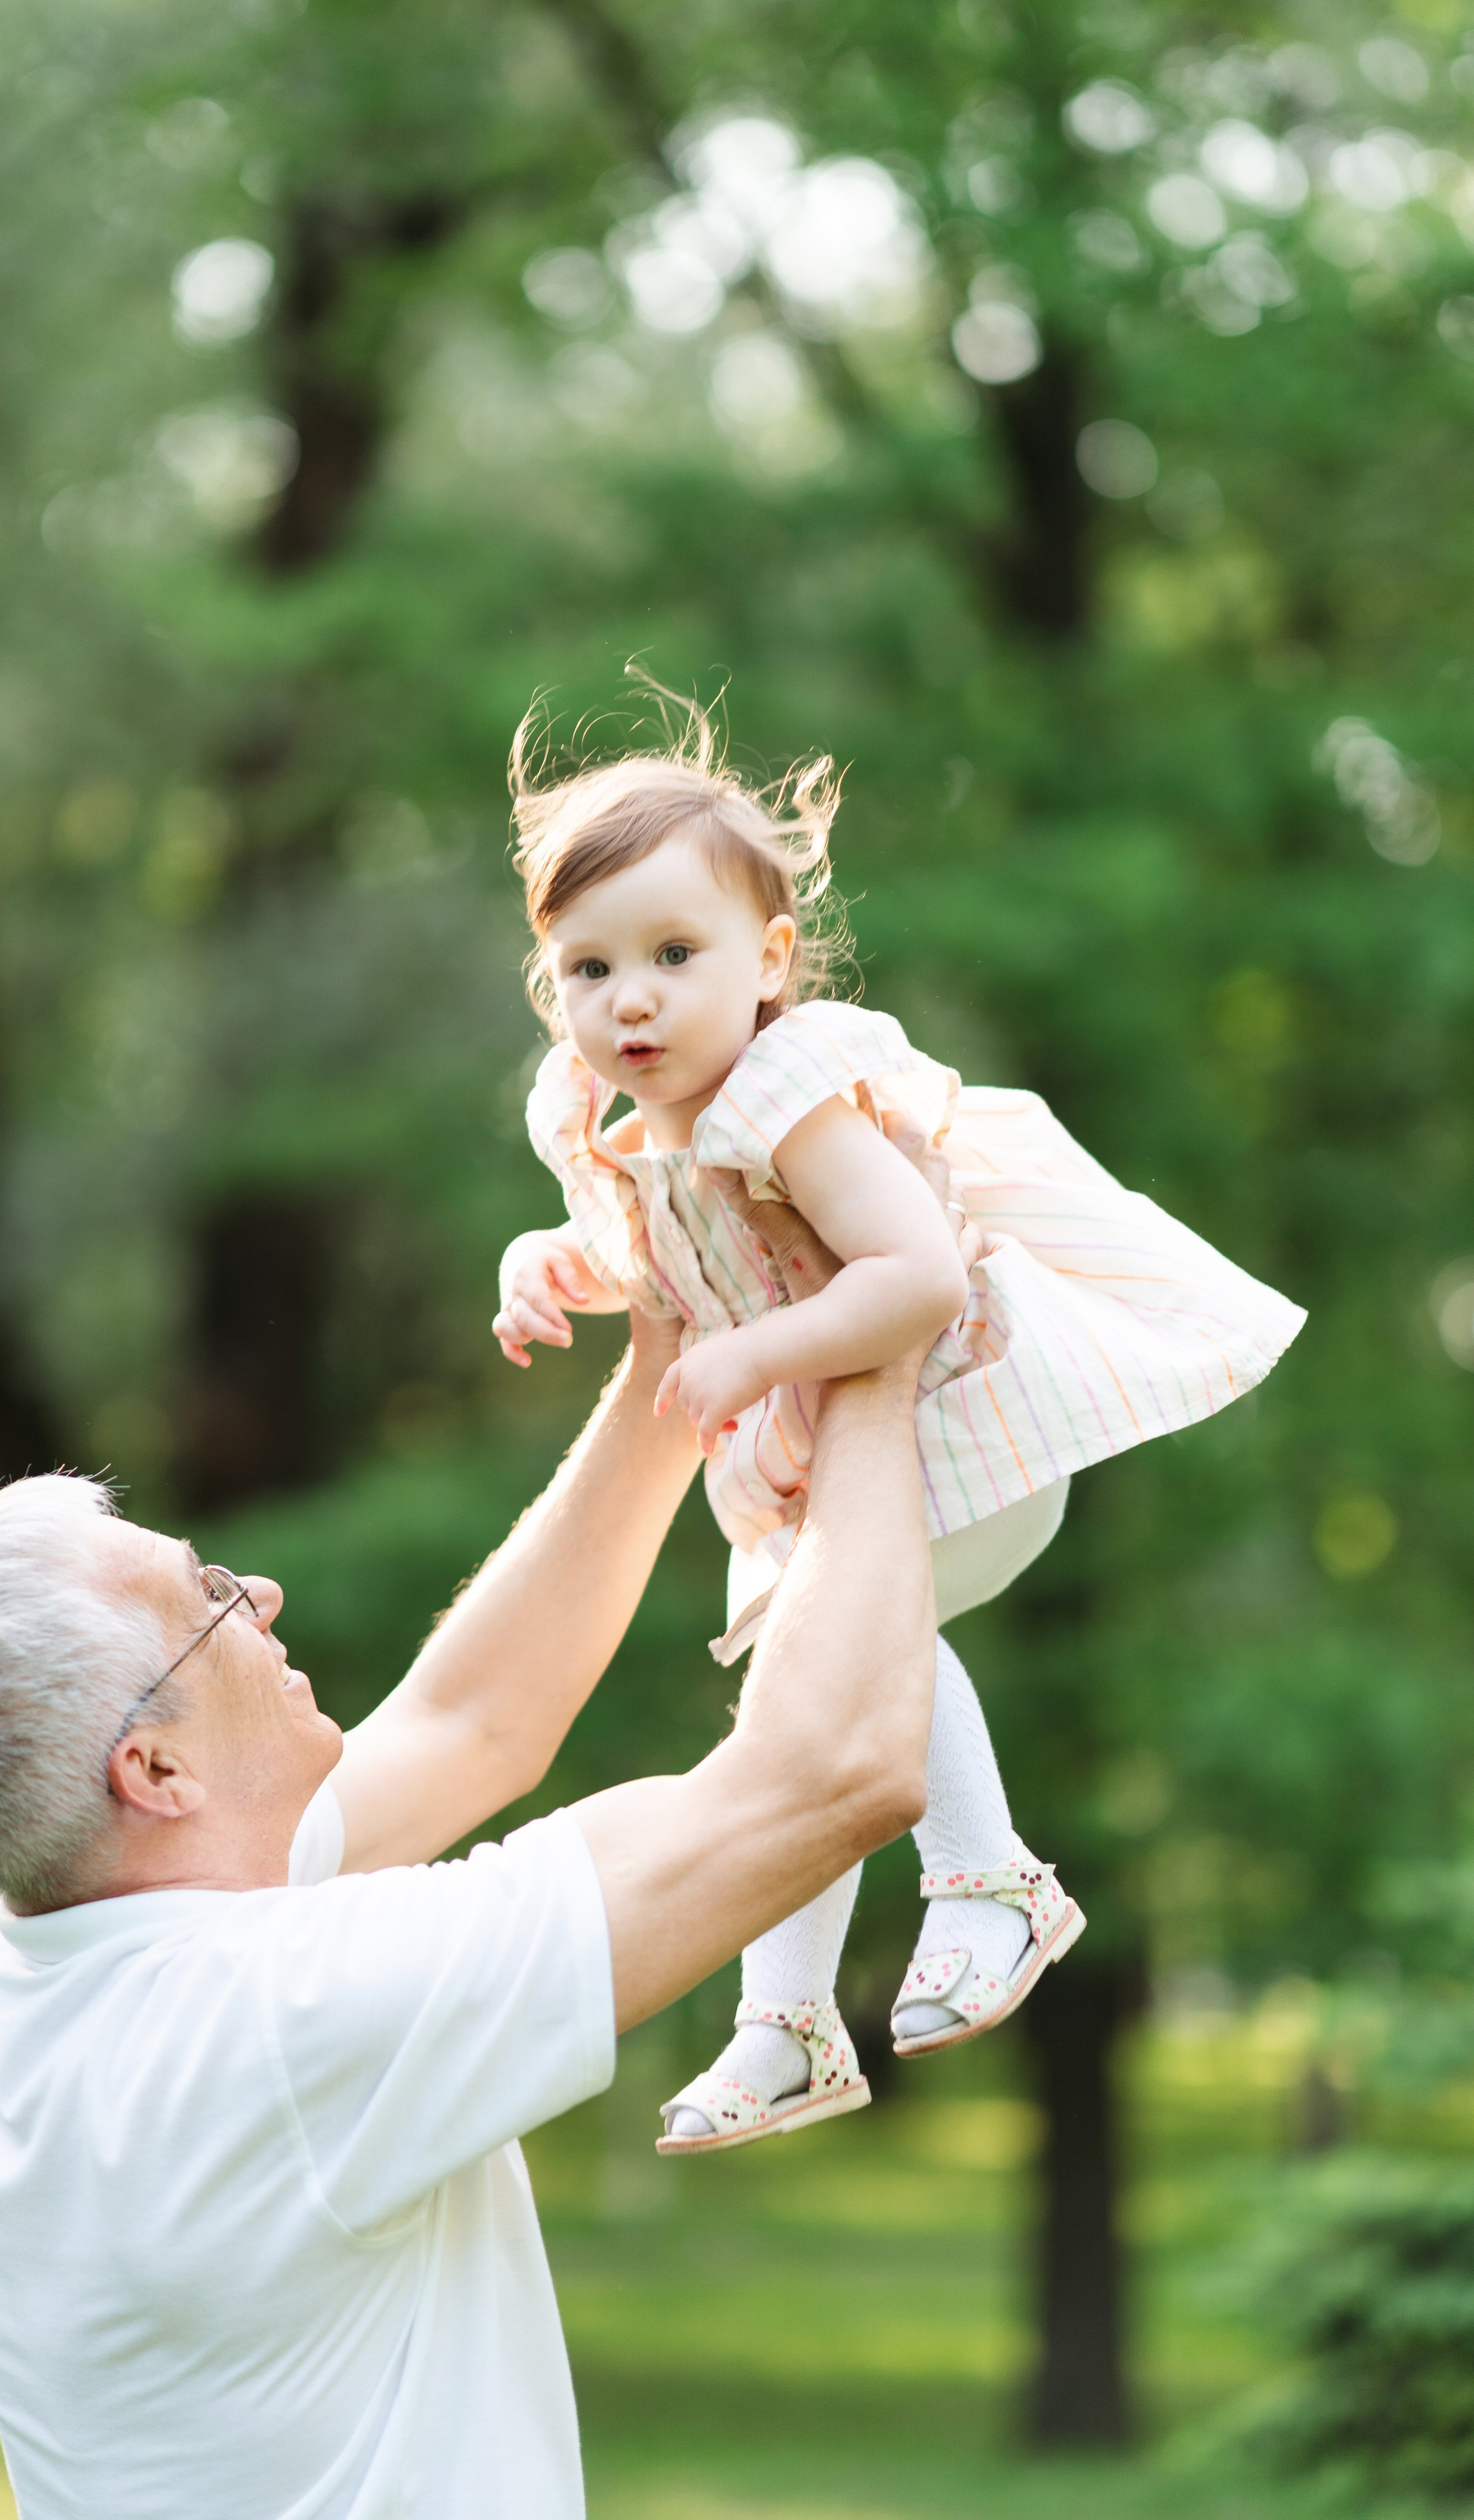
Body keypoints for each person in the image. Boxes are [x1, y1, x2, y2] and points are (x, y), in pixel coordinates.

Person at [0, 1160, 963, 2520]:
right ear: (150, 1766)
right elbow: (831, 1771)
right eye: (204, 1601)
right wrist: (875, 1342)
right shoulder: (283, 2020)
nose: (254, 1591)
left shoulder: (22, 1969)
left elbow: (473, 1721)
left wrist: (677, 1352)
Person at [493, 698, 1306, 2145]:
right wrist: (556, 1265)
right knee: (800, 1716)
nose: (631, 999)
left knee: (866, 1654)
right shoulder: (618, 1125)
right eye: (588, 966)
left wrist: (762, 1362)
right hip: (818, 1469)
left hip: (945, 1426)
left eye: (675, 956)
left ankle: (989, 1878)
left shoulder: (791, 1095)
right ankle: (785, 2024)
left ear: (768, 964)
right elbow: (681, 1266)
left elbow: (913, 1275)